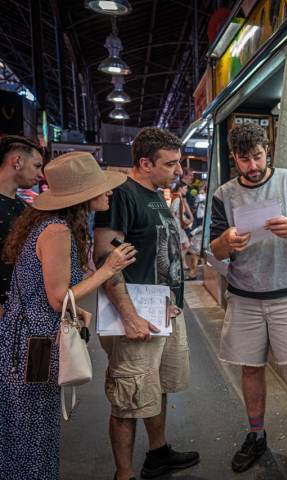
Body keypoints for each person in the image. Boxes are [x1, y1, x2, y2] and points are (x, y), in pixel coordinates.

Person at [209, 123, 287, 473]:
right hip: (244, 297)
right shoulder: (224, 193)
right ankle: (256, 435)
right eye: (244, 160)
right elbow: (215, 248)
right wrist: (228, 241)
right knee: (251, 368)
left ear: (267, 151)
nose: (252, 166)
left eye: (257, 157)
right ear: (234, 158)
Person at [0, 151, 135, 479]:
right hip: (35, 344)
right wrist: (108, 269)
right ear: (81, 195)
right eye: (101, 187)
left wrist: (80, 313)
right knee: (33, 429)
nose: (108, 192)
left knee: (24, 426)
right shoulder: (58, 231)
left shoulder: (49, 226)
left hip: (25, 338)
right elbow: (59, 297)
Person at [93, 127, 199, 480]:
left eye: (178, 163)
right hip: (136, 318)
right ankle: (123, 474)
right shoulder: (122, 195)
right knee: (128, 397)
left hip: (163, 311)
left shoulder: (156, 194)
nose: (178, 171)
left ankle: (158, 453)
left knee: (158, 388)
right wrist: (129, 315)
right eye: (170, 164)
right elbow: (106, 257)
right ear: (144, 162)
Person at [0, 135, 44, 313]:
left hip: (20, 311)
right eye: (37, 166)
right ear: (17, 161)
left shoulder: (25, 208)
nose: (41, 175)